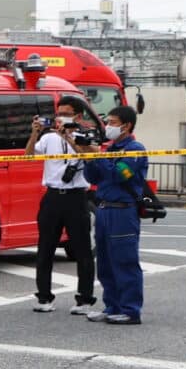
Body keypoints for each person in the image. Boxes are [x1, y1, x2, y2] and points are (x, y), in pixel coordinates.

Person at [78, 104, 149, 325]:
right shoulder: (109, 149)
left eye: (113, 123)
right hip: (104, 209)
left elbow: (121, 175)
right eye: (107, 122)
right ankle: (112, 306)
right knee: (106, 262)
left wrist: (98, 157)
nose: (108, 127)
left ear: (127, 126)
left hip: (123, 211)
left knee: (125, 261)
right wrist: (88, 157)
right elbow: (94, 178)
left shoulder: (134, 149)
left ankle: (130, 309)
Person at [27, 101, 96, 315]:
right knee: (45, 248)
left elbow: (91, 155)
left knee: (83, 250)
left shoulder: (87, 135)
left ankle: (84, 299)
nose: (61, 117)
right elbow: (28, 155)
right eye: (59, 113)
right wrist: (34, 134)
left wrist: (68, 136)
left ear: (77, 116)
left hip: (77, 197)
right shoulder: (48, 137)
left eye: (66, 114)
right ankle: (44, 297)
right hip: (53, 196)